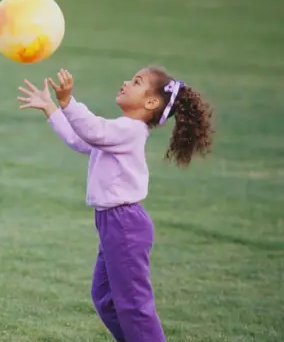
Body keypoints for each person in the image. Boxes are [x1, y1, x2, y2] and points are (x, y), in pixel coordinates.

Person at [16, 66, 214, 342]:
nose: (125, 82)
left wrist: (68, 102)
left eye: (136, 82)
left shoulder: (129, 130)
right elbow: (81, 139)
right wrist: (52, 108)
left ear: (151, 102)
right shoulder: (118, 132)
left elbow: (94, 130)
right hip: (114, 223)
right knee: (106, 299)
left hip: (125, 224)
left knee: (134, 307)